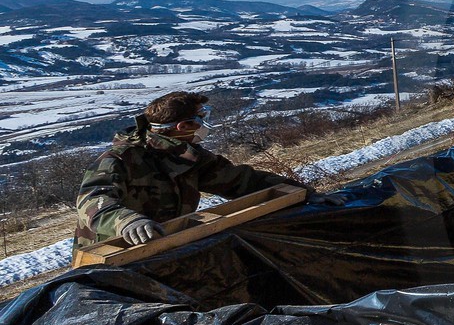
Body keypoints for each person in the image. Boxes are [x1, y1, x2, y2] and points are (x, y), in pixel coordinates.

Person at [74, 91, 298, 251]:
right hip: (112, 254)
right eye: (199, 118)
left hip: (160, 246)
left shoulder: (190, 157)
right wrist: (127, 222)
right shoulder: (120, 159)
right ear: (182, 127)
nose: (204, 124)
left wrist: (299, 191)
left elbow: (242, 181)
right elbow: (93, 202)